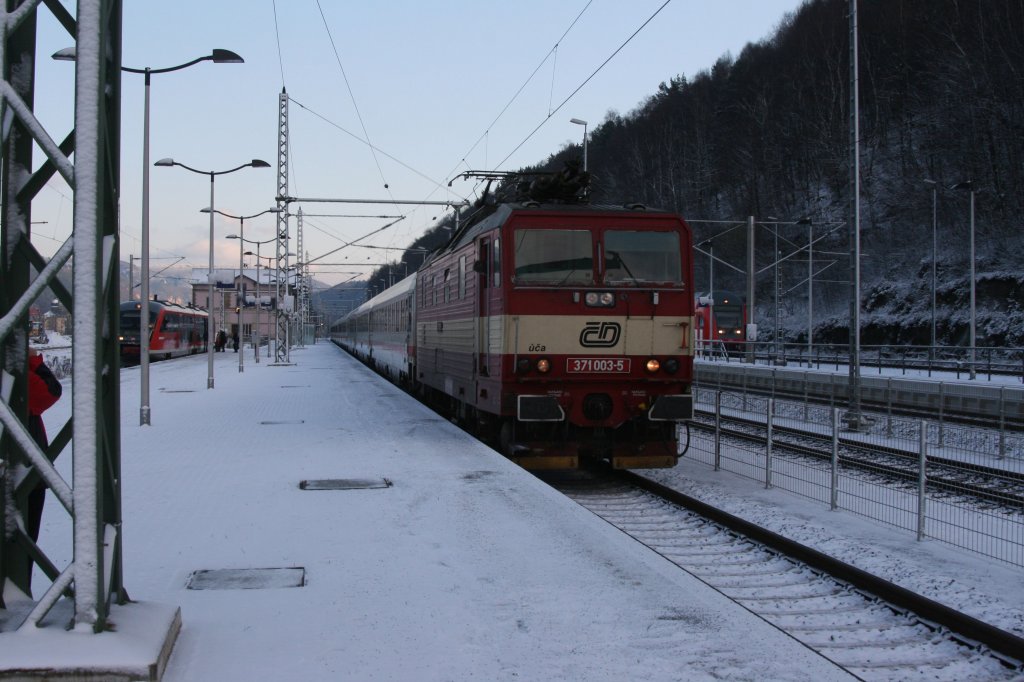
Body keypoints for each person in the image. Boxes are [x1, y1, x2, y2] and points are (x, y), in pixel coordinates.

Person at [26, 347, 63, 545]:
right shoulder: (15, 377)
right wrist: (33, 361)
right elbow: (51, 391)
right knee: (24, 544)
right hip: (25, 470)